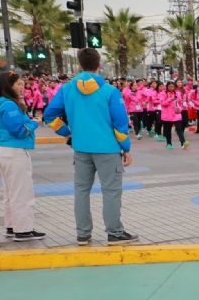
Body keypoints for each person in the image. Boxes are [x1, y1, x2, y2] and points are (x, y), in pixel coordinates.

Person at [42, 47, 138, 245]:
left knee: (81, 190)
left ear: (79, 65)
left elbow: (49, 115)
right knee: (111, 190)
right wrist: (126, 147)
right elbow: (120, 123)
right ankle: (115, 233)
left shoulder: (67, 88)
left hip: (81, 148)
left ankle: (83, 234)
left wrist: (67, 132)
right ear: (99, 65)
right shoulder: (110, 91)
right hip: (108, 149)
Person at [0, 71, 43, 242]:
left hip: (4, 150)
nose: (22, 87)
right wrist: (34, 123)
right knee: (22, 192)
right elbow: (19, 131)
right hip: (14, 151)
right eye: (19, 84)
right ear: (8, 86)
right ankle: (24, 230)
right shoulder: (10, 105)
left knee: (10, 192)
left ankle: (13, 226)